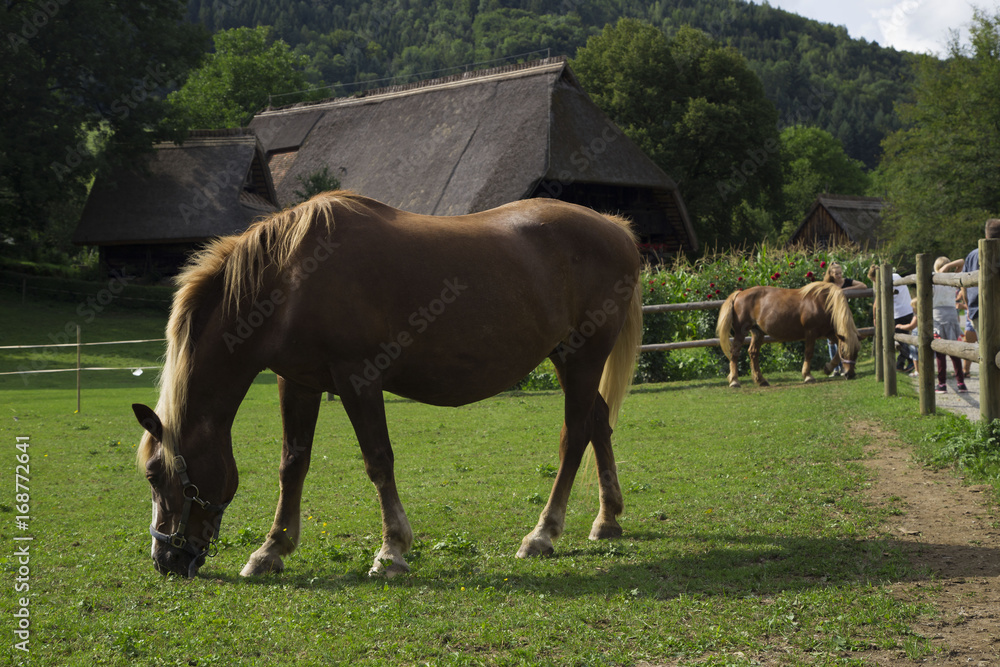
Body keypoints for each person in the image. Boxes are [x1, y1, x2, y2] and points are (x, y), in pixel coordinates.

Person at [931, 256, 967, 393]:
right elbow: (961, 262)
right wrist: (948, 267)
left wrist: (944, 268)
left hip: (938, 316)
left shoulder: (933, 277)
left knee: (940, 352)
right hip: (952, 315)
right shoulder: (952, 277)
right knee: (954, 351)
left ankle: (942, 384)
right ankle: (961, 383)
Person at [822, 262, 865, 375]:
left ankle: (843, 366)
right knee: (832, 341)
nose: (839, 275)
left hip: (844, 314)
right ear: (831, 274)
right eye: (836, 274)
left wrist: (845, 290)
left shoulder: (846, 282)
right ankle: (836, 368)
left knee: (844, 339)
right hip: (831, 315)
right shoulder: (828, 284)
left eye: (840, 273)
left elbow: (863, 286)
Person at [892, 271, 915, 374]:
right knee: (904, 338)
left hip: (898, 313)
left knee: (901, 340)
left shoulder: (886, 279)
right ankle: (900, 364)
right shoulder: (896, 275)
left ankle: (912, 361)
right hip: (908, 310)